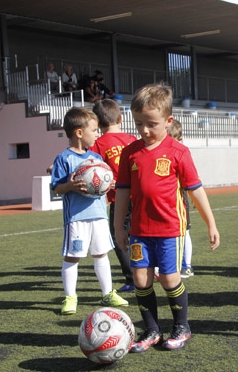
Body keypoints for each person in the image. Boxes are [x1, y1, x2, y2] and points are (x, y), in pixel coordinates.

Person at [113, 83, 220, 352]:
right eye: (139, 124)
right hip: (139, 230)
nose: (144, 130)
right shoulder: (130, 152)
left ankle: (181, 327)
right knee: (140, 280)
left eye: (151, 124)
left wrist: (211, 223)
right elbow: (122, 193)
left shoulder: (178, 152)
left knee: (170, 279)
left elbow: (195, 190)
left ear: (168, 121)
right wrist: (118, 228)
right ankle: (150, 330)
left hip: (170, 229)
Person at [49, 107, 129, 315]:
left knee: (101, 254)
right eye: (93, 130)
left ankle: (108, 293)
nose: (97, 134)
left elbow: (103, 180)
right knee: (72, 257)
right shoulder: (64, 159)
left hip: (100, 215)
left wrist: (107, 184)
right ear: (78, 132)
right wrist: (70, 186)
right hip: (77, 217)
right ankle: (70, 297)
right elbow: (56, 187)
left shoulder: (96, 157)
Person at [89, 99, 138, 292]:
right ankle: (151, 268)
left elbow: (89, 168)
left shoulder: (98, 144)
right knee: (140, 233)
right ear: (121, 118)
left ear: (98, 124)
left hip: (119, 198)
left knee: (118, 237)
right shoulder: (132, 140)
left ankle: (132, 279)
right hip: (139, 194)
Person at [168, 119, 194, 278]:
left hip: (179, 199)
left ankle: (187, 266)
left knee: (184, 232)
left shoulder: (182, 152)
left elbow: (191, 180)